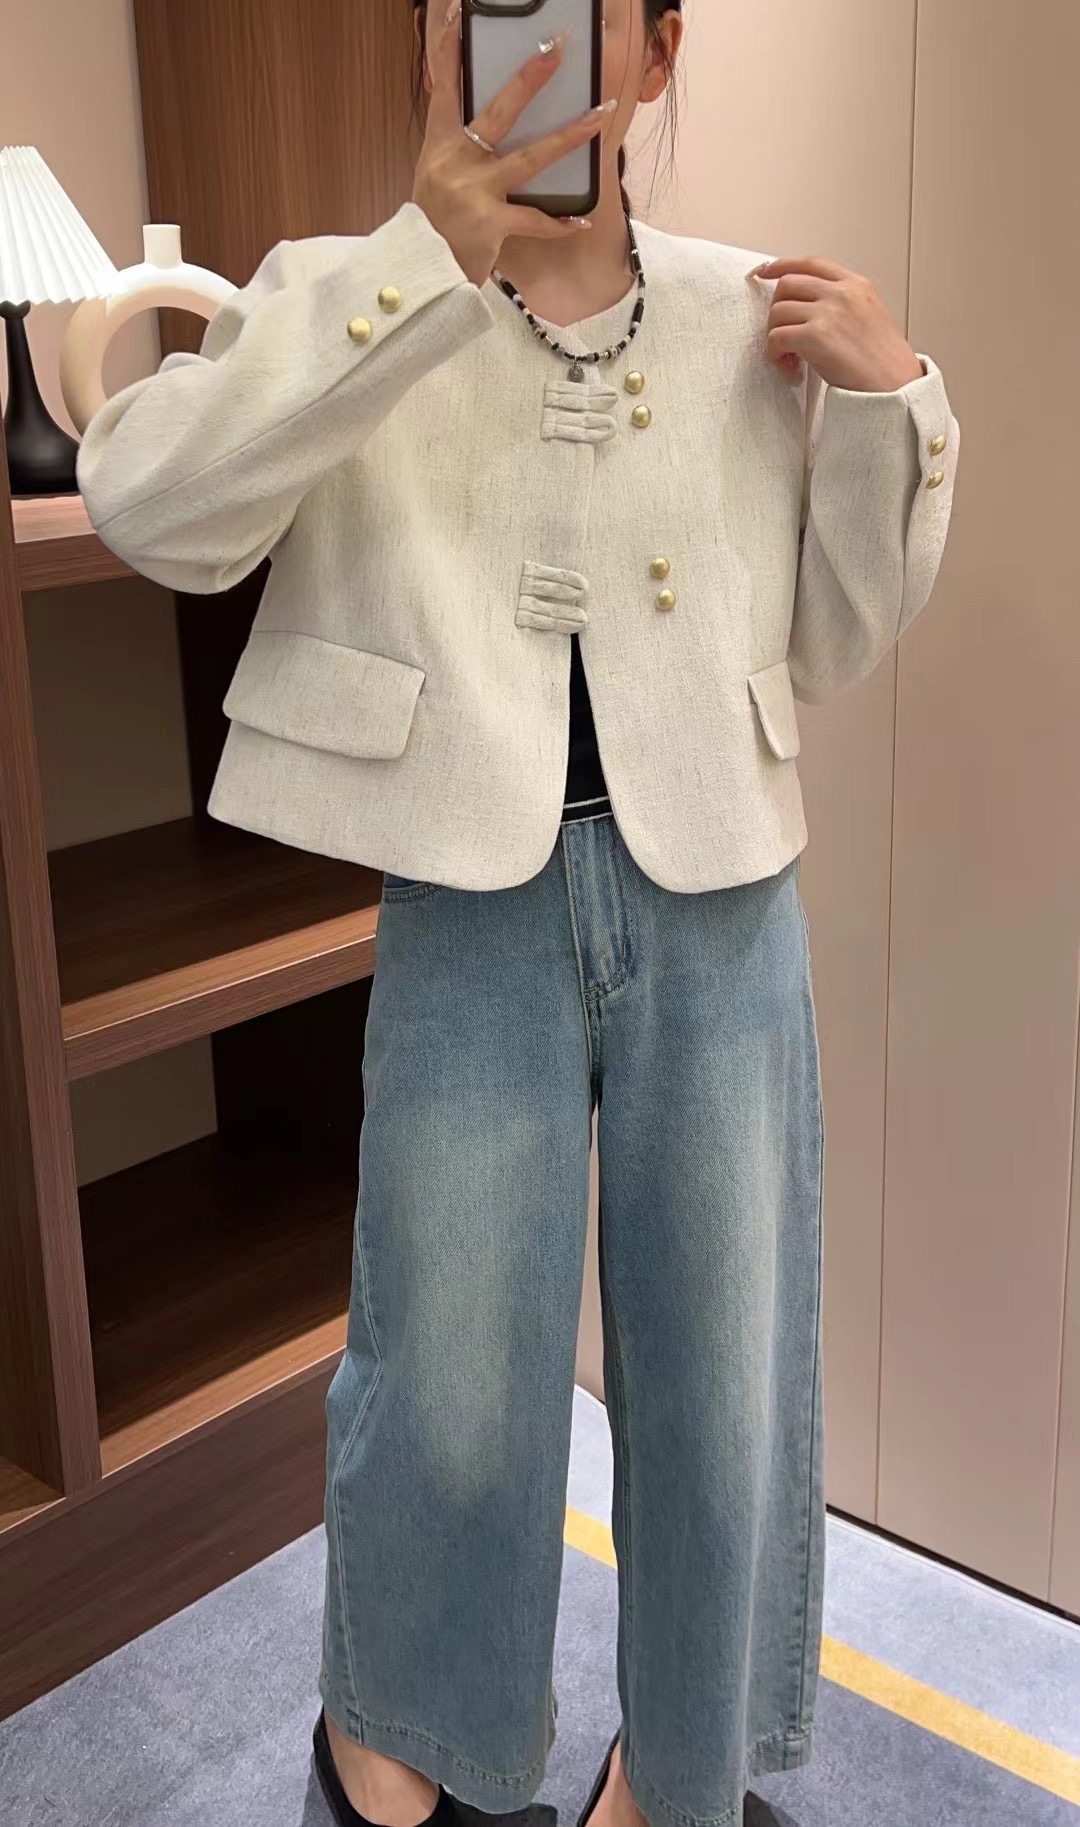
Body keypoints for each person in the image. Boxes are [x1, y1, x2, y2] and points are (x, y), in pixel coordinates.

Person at [76, 3, 960, 1825]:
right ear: (431, 51)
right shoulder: (349, 292)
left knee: (726, 1378)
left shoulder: (746, 315)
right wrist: (418, 264)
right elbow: (154, 508)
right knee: (451, 1373)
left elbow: (837, 640)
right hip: (468, 895)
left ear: (658, 52)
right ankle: (398, 1761)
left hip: (720, 894)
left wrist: (895, 405)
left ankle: (680, 1784)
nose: (529, 49)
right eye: (477, 10)